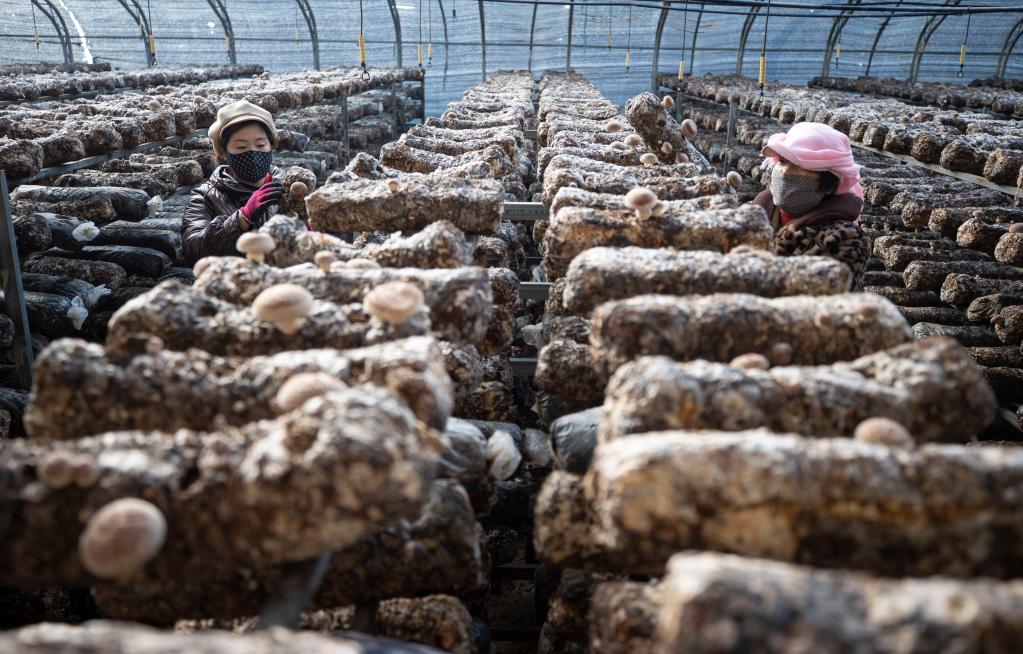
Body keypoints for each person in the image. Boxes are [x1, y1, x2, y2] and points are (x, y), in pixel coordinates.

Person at [751, 121, 870, 288]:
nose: (785, 172)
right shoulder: (755, 212)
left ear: (829, 186)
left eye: (800, 167)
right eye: (783, 162)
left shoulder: (844, 238)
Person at [182, 99, 286, 263]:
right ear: (223, 151)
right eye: (241, 147)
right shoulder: (205, 196)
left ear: (271, 145)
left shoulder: (288, 188)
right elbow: (192, 249)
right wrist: (240, 220)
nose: (252, 153)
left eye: (260, 145)